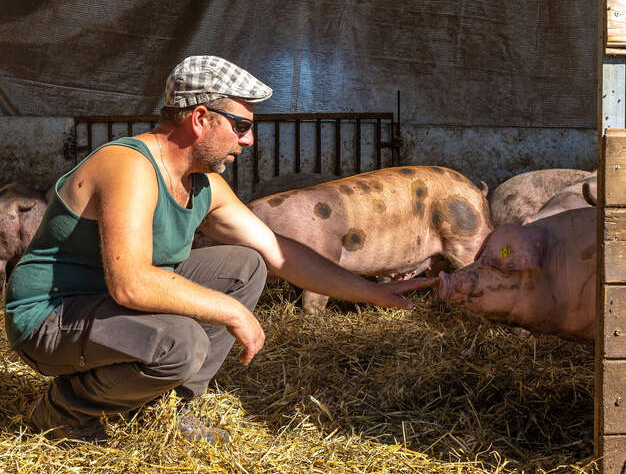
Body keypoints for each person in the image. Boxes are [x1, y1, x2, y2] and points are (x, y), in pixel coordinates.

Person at [4, 55, 431, 444]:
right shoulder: (129, 165)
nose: (249, 142)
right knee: (183, 342)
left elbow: (278, 251)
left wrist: (372, 291)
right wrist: (231, 311)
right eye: (242, 126)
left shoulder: (203, 183)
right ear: (201, 118)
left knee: (245, 264)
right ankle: (64, 411)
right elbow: (130, 284)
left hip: (109, 311)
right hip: (53, 317)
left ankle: (172, 405)